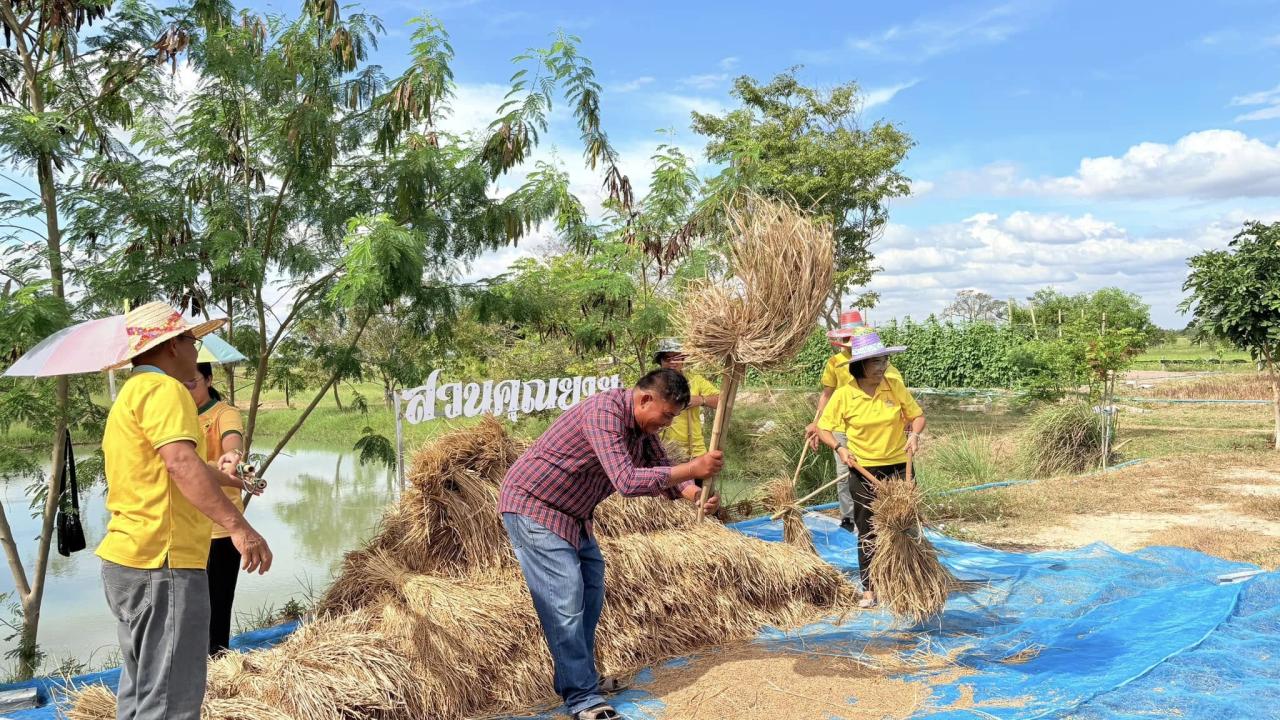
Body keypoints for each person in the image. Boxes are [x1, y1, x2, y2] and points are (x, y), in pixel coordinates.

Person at [498, 369, 724, 720]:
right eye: (666, 415)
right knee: (564, 600)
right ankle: (582, 699)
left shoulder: (642, 427)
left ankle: (578, 678)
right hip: (533, 506)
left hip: (573, 513)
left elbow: (661, 467)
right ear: (645, 398)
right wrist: (693, 466)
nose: (666, 424)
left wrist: (694, 493)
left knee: (591, 590)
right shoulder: (604, 413)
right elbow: (628, 480)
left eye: (673, 418)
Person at [97, 302, 272, 720]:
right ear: (173, 345)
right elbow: (180, 464)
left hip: (129, 559)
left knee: (142, 692)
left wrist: (234, 479)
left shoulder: (132, 394)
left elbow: (174, 466)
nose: (197, 351)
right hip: (165, 564)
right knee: (171, 702)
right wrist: (240, 527)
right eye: (193, 341)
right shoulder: (165, 390)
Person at [816, 326, 925, 609]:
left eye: (884, 360)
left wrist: (914, 435)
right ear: (860, 366)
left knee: (906, 524)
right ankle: (870, 587)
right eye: (876, 361)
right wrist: (840, 448)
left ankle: (908, 579)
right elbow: (824, 428)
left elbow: (916, 415)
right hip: (864, 470)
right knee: (868, 529)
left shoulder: (893, 385)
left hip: (899, 467)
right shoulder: (844, 395)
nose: (882, 366)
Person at [188, 361, 263, 656]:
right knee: (188, 608)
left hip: (220, 527)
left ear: (208, 379)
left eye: (192, 382)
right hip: (186, 527)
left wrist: (233, 456)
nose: (186, 389)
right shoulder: (177, 416)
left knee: (216, 604)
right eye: (181, 384)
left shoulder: (223, 413)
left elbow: (233, 442)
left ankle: (218, 669)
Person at [805, 309, 903, 531]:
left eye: (853, 338)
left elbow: (902, 402)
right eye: (847, 339)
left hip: (875, 430)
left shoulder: (886, 369)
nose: (849, 342)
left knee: (881, 477)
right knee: (845, 474)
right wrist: (817, 423)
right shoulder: (835, 363)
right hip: (841, 424)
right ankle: (850, 518)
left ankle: (885, 521)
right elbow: (828, 394)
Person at [653, 338, 720, 459]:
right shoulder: (652, 383)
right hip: (662, 451)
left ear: (683, 359)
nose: (672, 362)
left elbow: (722, 401)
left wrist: (700, 400)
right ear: (660, 361)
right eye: (667, 358)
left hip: (694, 453)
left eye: (677, 357)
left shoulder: (695, 380)